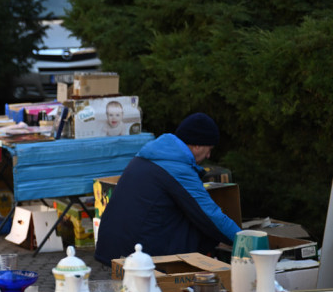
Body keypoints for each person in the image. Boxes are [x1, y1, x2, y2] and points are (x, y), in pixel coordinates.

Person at [94, 112, 241, 264]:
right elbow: (211, 215)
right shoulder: (177, 168)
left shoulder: (152, 154)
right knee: (198, 221)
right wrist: (245, 240)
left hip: (111, 247)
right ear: (197, 145)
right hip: (135, 257)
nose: (209, 155)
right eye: (209, 149)